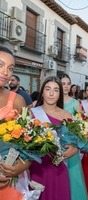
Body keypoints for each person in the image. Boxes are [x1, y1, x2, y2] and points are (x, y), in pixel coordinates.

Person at [29, 76, 78, 200]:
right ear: (42, 93)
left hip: (58, 167)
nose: (51, 93)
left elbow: (75, 142)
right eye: (48, 89)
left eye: (56, 90)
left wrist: (75, 148)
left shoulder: (67, 115)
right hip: (36, 168)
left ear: (60, 94)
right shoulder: (31, 113)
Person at [0, 46, 30, 198]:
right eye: (0, 65)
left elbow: (32, 140)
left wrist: (23, 165)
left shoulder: (18, 100)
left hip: (11, 182)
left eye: (10, 68)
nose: (6, 72)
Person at [59, 73, 88, 200]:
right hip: (55, 142)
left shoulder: (76, 103)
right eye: (63, 83)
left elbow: (82, 125)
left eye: (68, 84)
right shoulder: (53, 101)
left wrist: (77, 144)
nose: (66, 86)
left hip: (71, 144)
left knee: (73, 176)